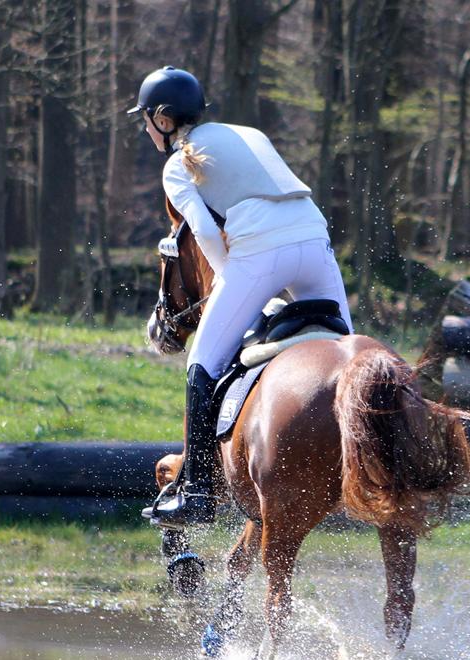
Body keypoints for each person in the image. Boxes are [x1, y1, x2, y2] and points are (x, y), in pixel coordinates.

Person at [132, 66, 353, 526]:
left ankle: (197, 492)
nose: (146, 128)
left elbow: (203, 230)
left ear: (163, 120)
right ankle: (379, 463)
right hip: (316, 243)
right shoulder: (248, 133)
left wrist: (231, 279)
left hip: (262, 255)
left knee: (201, 364)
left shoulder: (175, 166)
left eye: (146, 120)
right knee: (350, 360)